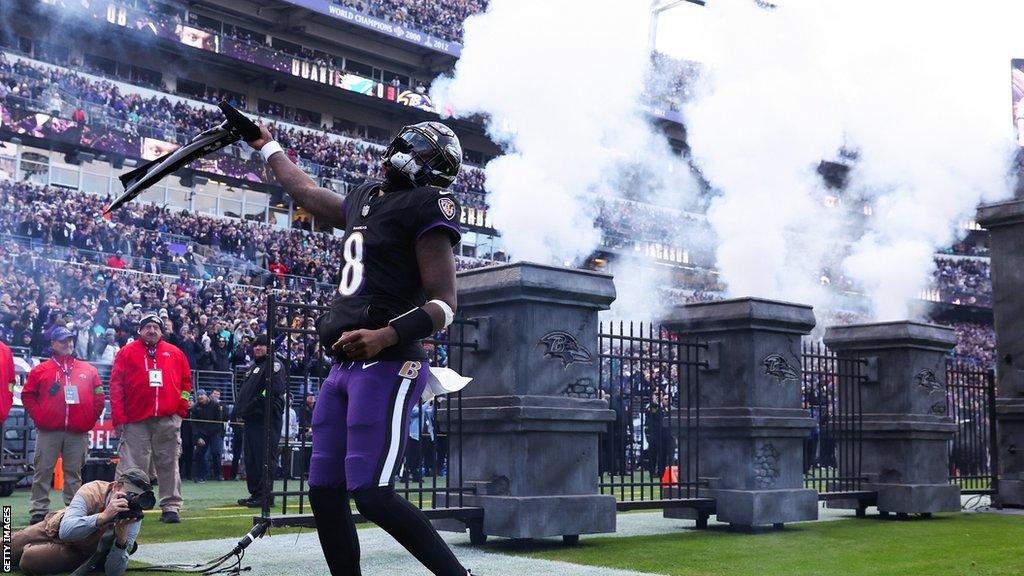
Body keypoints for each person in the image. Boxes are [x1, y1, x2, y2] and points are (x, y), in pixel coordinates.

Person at [248, 119, 469, 574]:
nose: (398, 153)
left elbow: (445, 306)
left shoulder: (428, 204)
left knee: (371, 492)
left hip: (389, 363)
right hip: (343, 367)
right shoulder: (367, 196)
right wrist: (268, 147)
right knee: (325, 490)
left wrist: (386, 335)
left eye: (414, 151)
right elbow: (307, 193)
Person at [108, 313, 192, 524]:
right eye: (147, 327)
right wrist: (119, 417)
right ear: (140, 330)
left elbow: (186, 384)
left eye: (156, 327)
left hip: (167, 418)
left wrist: (181, 408)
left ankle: (171, 506)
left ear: (161, 331)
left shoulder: (175, 353)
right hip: (136, 419)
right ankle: (131, 504)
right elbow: (116, 386)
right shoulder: (126, 353)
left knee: (169, 462)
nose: (152, 330)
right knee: (133, 465)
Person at [22, 327, 105, 525]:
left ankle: (73, 510)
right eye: (62, 341)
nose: (68, 344)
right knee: (42, 470)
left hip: (77, 431)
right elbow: (27, 395)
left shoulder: (88, 370)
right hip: (48, 429)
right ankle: (38, 510)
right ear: (53, 344)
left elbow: (99, 397)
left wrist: (88, 420)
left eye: (70, 340)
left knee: (73, 473)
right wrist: (40, 417)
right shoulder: (41, 370)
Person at [11, 467, 149, 576]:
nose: (132, 499)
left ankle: (30, 550)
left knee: (30, 560)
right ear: (116, 487)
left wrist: (121, 541)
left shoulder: (133, 516)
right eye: (130, 493)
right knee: (5, 549)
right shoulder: (92, 490)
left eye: (138, 496)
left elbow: (114, 572)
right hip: (54, 528)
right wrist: (103, 517)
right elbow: (66, 531)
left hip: (80, 551)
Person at [234, 334, 287, 507]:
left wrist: (256, 402)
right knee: (252, 458)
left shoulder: (274, 365)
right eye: (255, 345)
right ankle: (256, 493)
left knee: (264, 457)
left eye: (261, 345)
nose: (257, 348)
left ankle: (265, 495)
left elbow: (273, 390)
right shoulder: (253, 368)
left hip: (265, 418)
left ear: (269, 348)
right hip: (251, 419)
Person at [191, 389, 226, 482]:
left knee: (216, 452)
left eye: (201, 396)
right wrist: (198, 437)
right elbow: (194, 425)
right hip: (202, 435)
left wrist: (212, 433)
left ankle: (218, 475)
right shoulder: (195, 408)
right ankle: (200, 476)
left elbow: (219, 421)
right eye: (198, 397)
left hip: (215, 432)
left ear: (206, 396)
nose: (200, 398)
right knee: (199, 454)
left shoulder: (215, 405)